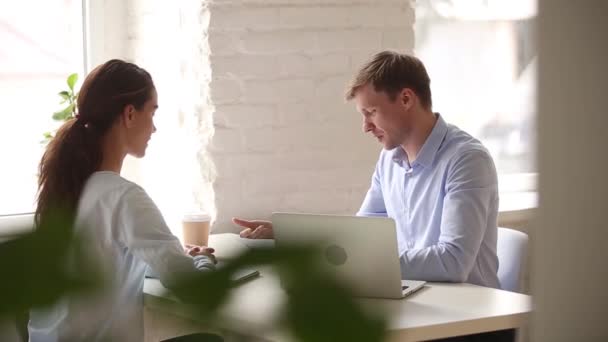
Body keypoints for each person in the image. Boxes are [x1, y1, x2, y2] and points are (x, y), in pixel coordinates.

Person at [234, 51, 501, 289]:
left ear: (406, 98)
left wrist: (358, 263)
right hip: (423, 299)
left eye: (371, 112)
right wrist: (291, 236)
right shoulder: (390, 160)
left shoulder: (466, 160)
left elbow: (452, 261)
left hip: (474, 321)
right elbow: (359, 234)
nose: (365, 126)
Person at [29, 60, 218, 342]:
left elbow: (107, 260)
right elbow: (193, 289)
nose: (154, 128)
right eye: (152, 112)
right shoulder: (123, 196)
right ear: (130, 114)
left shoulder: (66, 190)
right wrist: (203, 261)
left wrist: (172, 258)